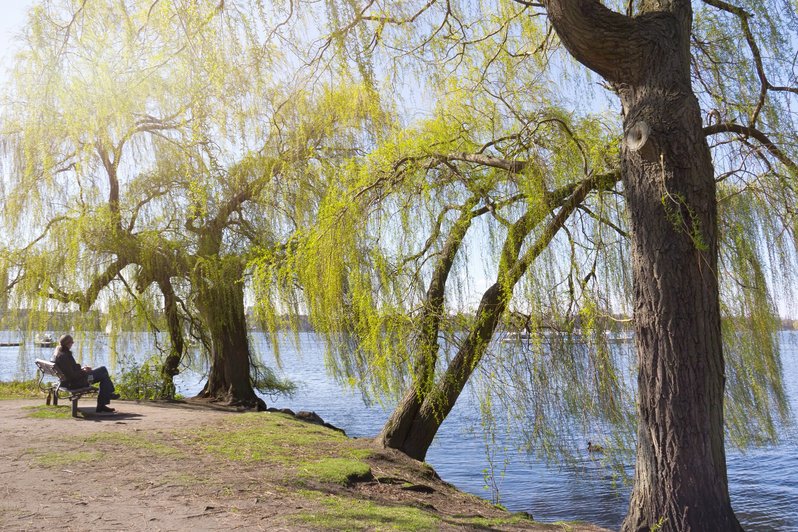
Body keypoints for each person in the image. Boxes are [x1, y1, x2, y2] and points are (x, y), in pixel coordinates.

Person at [52, 334, 119, 414]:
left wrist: (82, 369)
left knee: (103, 374)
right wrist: (84, 371)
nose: (72, 344)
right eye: (72, 342)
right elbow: (72, 375)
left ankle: (107, 396)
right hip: (75, 383)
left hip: (67, 382)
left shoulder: (59, 352)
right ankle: (106, 397)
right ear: (68, 343)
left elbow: (70, 371)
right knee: (103, 371)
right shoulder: (65, 356)